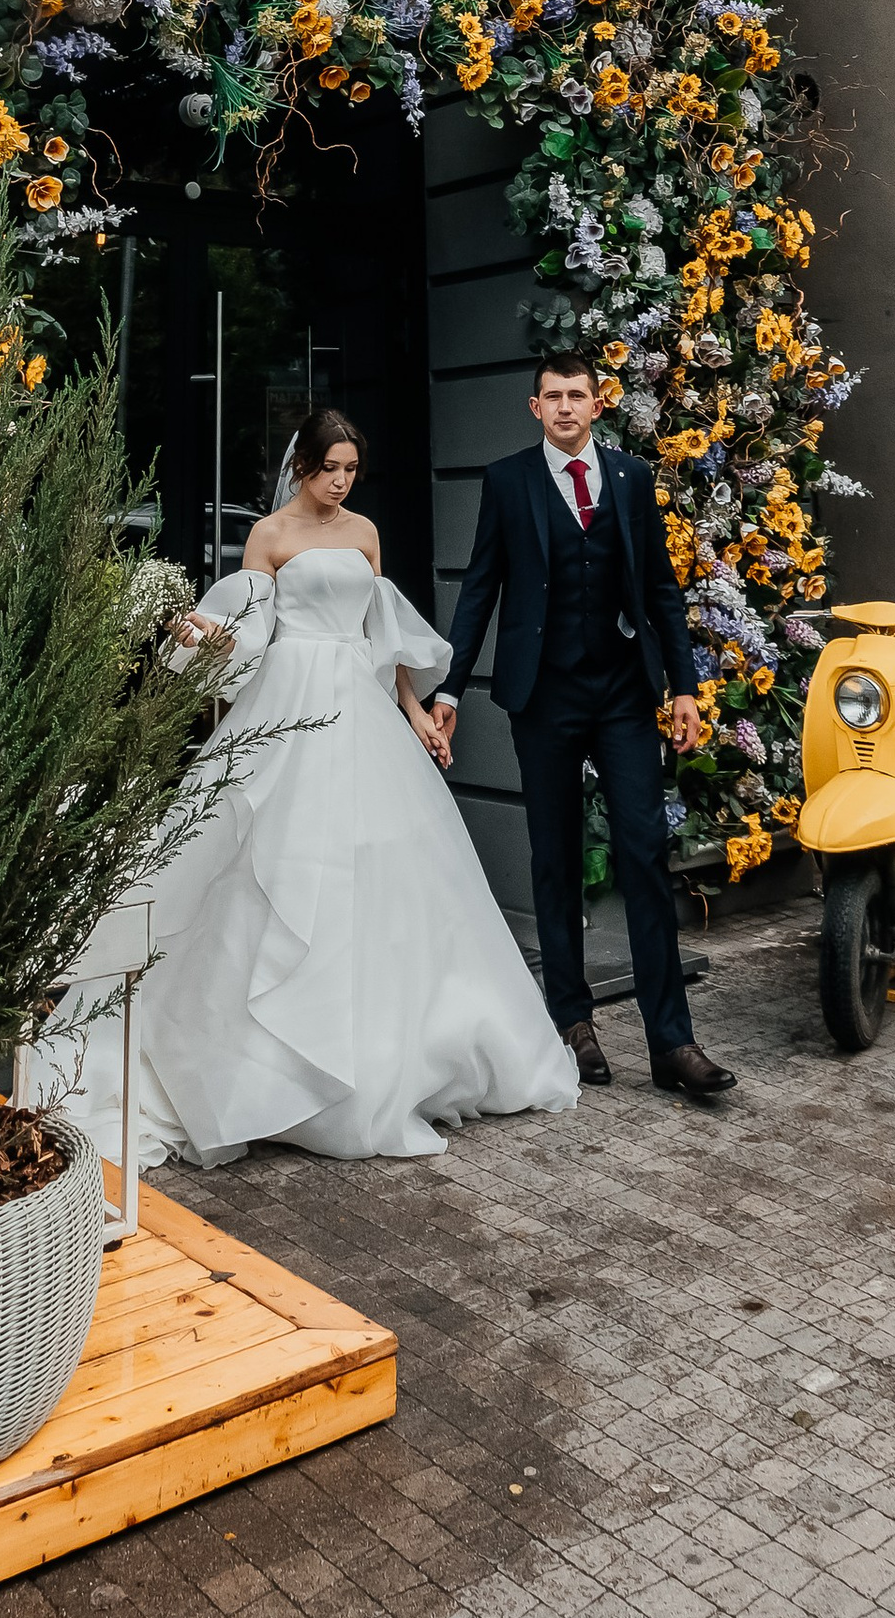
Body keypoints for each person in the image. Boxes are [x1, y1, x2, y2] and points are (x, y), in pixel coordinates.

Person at [57, 407, 579, 1167]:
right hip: (289, 702)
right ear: (302, 465)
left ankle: (387, 1058)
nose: (340, 482)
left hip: (359, 706)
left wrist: (417, 716)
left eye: (351, 470)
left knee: (380, 866)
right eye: (329, 468)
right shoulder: (269, 536)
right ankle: (255, 1065)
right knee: (271, 858)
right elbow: (249, 635)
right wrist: (204, 636)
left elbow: (382, 641)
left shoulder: (365, 533)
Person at [426, 355, 734, 1105]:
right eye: (553, 397)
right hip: (545, 695)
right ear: (535, 407)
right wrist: (450, 688)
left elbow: (659, 587)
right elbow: (480, 589)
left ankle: (673, 1043)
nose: (566, 407)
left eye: (578, 395)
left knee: (644, 851)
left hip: (623, 693)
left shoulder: (630, 478)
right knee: (556, 856)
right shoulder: (507, 480)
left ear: (598, 404)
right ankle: (572, 1021)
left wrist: (683, 688)